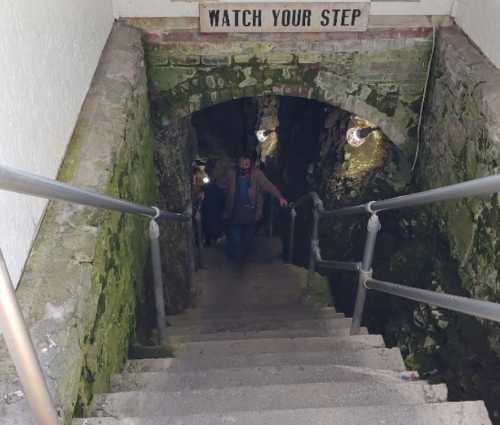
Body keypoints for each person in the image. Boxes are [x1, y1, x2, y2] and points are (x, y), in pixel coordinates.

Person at [224, 153, 288, 261]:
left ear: (250, 164)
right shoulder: (231, 174)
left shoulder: (256, 175)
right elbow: (222, 186)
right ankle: (237, 260)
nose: (244, 166)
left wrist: (280, 197)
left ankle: (243, 257)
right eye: (242, 164)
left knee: (248, 238)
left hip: (250, 212)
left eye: (247, 164)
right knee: (235, 238)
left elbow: (268, 185)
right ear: (238, 164)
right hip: (235, 212)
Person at [200, 163, 225, 246]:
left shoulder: (216, 181)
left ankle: (212, 237)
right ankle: (211, 238)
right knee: (210, 221)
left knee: (211, 221)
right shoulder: (209, 181)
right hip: (211, 203)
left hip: (212, 203)